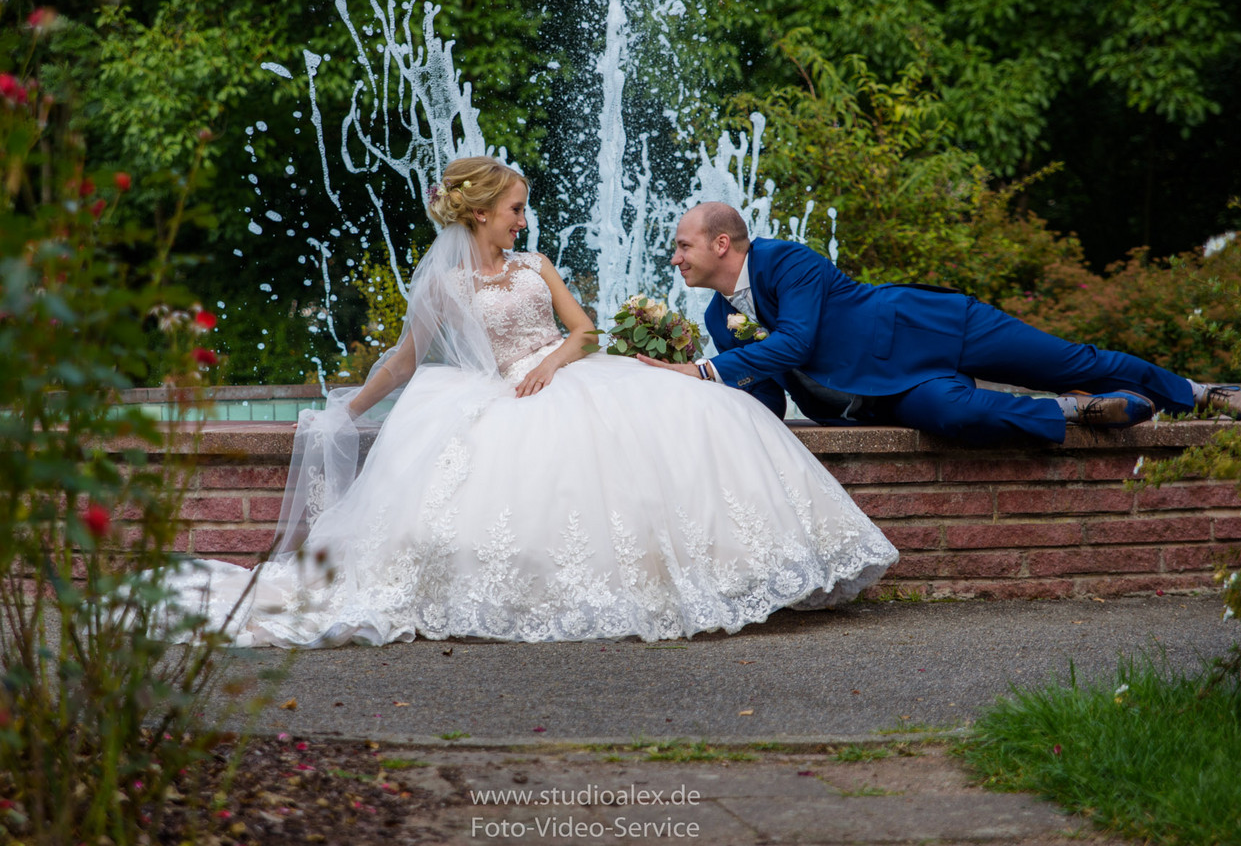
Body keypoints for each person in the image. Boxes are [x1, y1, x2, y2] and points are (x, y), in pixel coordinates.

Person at [167, 159, 898, 648]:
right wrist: (347, 411)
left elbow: (584, 332)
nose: (523, 219)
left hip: (568, 378)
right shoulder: (441, 286)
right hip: (488, 397)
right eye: (515, 209)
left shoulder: (534, 265)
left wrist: (550, 362)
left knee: (714, 413)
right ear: (482, 212)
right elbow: (403, 362)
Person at [637, 202, 1241, 444]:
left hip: (933, 328)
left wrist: (703, 368)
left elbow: (796, 340)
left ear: (722, 244)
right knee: (953, 417)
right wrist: (702, 401)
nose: (675, 258)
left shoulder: (784, 260)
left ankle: (1199, 393)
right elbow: (766, 400)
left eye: (682, 246)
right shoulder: (721, 318)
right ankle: (1076, 412)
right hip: (891, 391)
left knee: (1074, 362)